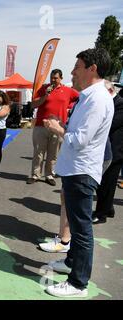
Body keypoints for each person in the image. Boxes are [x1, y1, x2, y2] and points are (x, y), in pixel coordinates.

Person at [44, 48, 113, 298]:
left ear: (92, 68)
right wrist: (63, 127)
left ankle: (78, 283)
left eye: (77, 66)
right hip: (76, 169)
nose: (72, 72)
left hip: (82, 171)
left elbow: (81, 139)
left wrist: (57, 128)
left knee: (82, 229)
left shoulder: (97, 99)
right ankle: (71, 263)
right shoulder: (90, 96)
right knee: (75, 223)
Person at [28, 69, 79, 186]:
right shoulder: (44, 88)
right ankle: (35, 174)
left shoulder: (68, 91)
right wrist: (46, 95)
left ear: (61, 78)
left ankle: (49, 175)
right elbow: (33, 105)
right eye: (51, 78)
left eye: (55, 78)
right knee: (38, 152)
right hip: (41, 126)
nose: (53, 80)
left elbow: (81, 99)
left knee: (53, 154)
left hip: (58, 127)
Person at [92, 80, 123, 224]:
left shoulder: (120, 103)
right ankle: (108, 208)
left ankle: (101, 214)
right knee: (103, 183)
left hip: (116, 151)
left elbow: (109, 125)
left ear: (110, 91)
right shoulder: (110, 102)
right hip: (105, 150)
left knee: (107, 184)